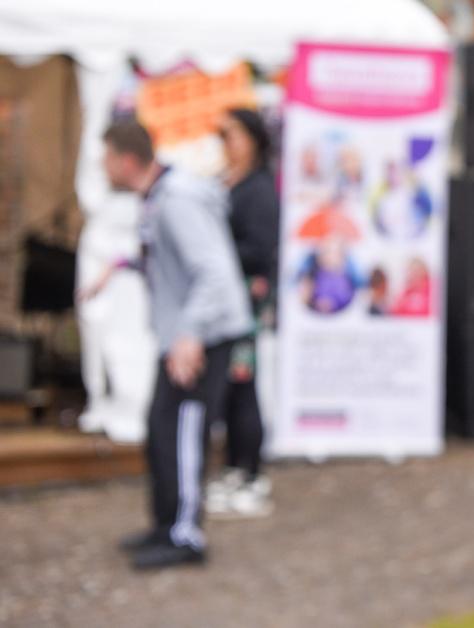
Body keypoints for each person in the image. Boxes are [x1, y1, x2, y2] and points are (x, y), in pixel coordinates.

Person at [82, 120, 253, 569]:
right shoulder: (159, 198)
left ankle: (185, 536)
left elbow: (214, 273)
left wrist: (190, 335)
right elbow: (160, 256)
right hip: (180, 335)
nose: (103, 170)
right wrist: (117, 267)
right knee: (161, 430)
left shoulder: (177, 203)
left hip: (200, 337)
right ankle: (165, 524)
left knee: (183, 432)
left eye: (105, 160)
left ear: (127, 161)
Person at [204, 108, 279, 519]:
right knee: (234, 387)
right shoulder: (232, 183)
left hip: (246, 301)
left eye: (230, 135)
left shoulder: (259, 189)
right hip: (230, 302)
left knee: (244, 385)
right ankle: (236, 467)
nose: (225, 144)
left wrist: (219, 256)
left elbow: (260, 248)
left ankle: (250, 472)